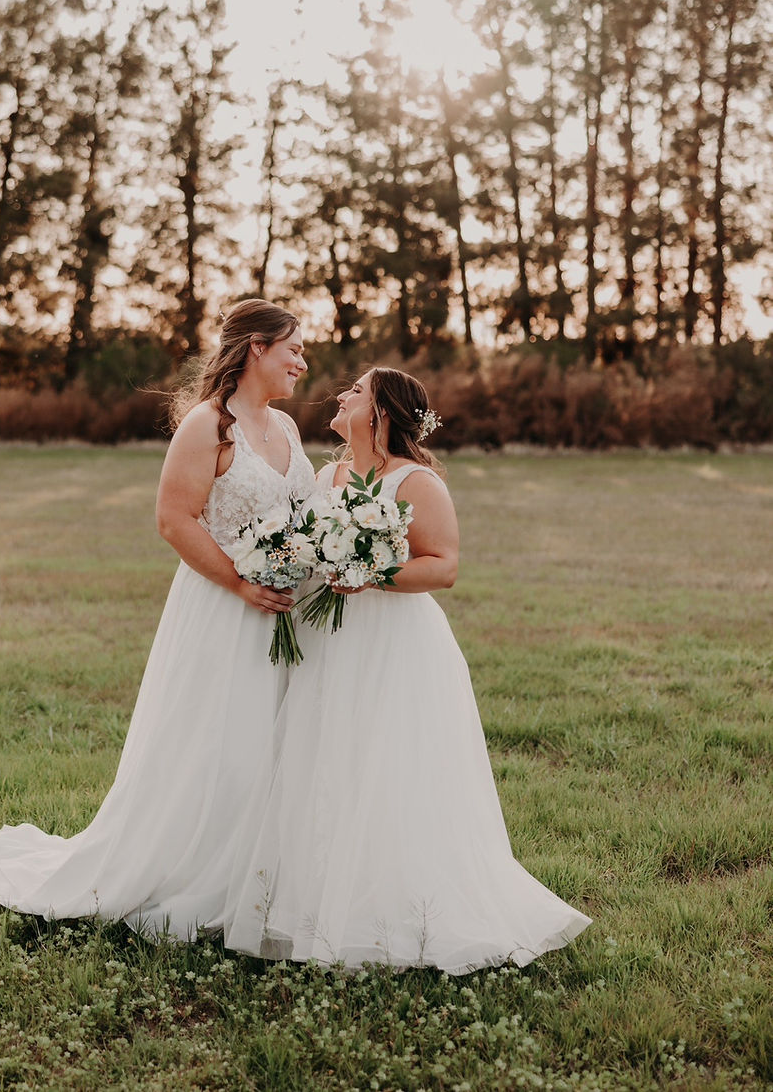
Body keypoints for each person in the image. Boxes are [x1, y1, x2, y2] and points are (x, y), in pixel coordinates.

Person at [0, 300, 315, 938]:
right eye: (294, 349)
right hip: (223, 609)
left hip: (283, 610)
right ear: (256, 347)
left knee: (272, 745)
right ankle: (194, 872)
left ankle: (260, 874)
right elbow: (174, 520)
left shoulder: (285, 428)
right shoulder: (207, 425)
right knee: (215, 745)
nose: (302, 363)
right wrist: (240, 582)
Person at [223, 366, 591, 972]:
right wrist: (271, 557)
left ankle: (402, 913)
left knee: (389, 766)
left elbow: (442, 566)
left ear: (383, 413)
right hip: (329, 640)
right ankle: (318, 906)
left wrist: (372, 573)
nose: (341, 395)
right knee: (329, 761)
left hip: (393, 643)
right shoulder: (329, 473)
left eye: (356, 391)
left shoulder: (417, 482)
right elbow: (309, 543)